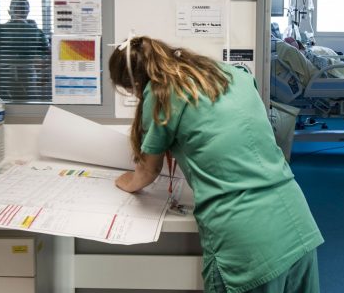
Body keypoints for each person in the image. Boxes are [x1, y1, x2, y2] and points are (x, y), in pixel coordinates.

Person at [109, 35, 323, 293]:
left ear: (135, 83)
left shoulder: (162, 92)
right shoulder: (230, 73)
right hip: (296, 221)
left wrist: (125, 182)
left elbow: (147, 171)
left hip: (247, 242)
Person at [0, 0, 51, 102]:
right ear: (27, 12)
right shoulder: (37, 33)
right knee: (29, 105)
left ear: (9, 11)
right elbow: (46, 57)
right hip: (26, 77)